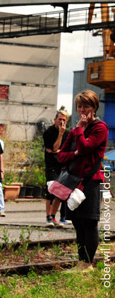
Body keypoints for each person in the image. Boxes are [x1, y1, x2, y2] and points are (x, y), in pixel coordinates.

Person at [56, 90, 107, 270]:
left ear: (94, 107)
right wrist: (74, 153)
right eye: (79, 106)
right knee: (77, 222)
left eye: (86, 106)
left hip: (91, 181)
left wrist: (78, 130)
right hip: (73, 181)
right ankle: (81, 262)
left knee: (89, 221)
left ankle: (88, 264)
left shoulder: (100, 128)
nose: (82, 109)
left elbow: (85, 147)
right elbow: (60, 156)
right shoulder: (76, 130)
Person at [43, 109, 70, 228]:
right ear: (55, 120)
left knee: (60, 193)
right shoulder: (49, 132)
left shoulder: (68, 134)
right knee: (52, 190)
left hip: (62, 165)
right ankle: (48, 216)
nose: (62, 122)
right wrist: (60, 134)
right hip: (52, 166)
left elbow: (67, 150)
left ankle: (54, 216)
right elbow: (54, 148)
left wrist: (61, 151)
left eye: (64, 120)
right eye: (60, 119)